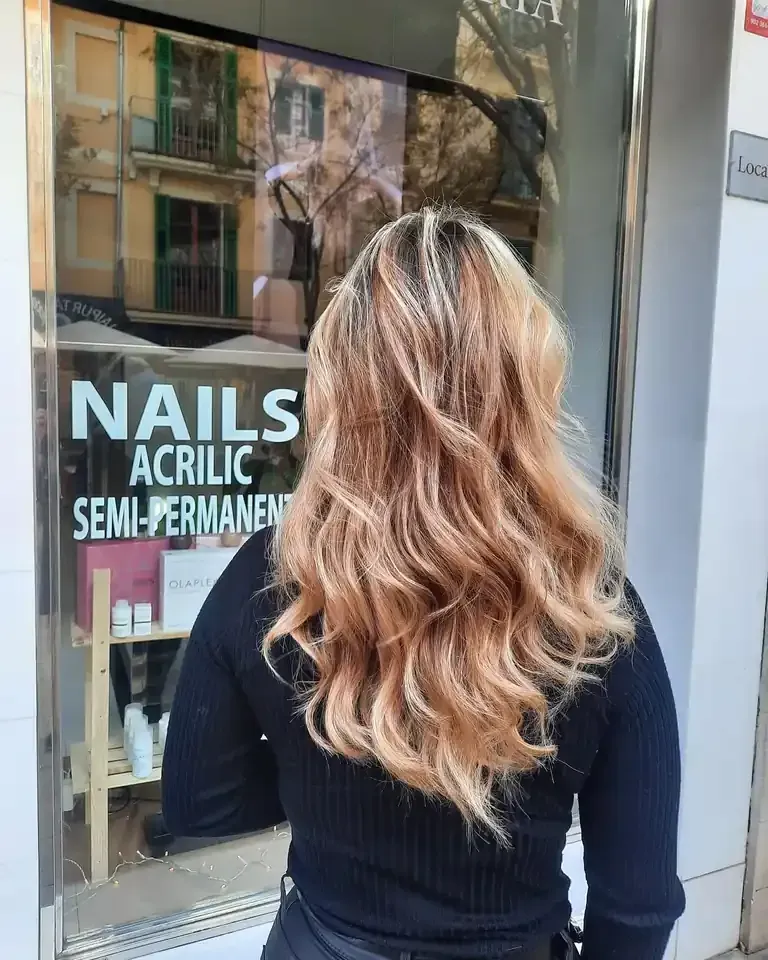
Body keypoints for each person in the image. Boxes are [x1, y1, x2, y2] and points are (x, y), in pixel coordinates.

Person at [162, 207, 685, 960]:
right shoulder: (589, 602)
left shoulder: (271, 577)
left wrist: (327, 782)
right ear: (525, 384)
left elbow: (198, 805)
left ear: (339, 385)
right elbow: (639, 906)